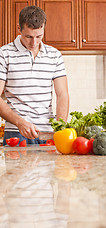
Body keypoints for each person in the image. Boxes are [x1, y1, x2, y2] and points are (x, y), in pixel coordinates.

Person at [0, 5, 69, 145]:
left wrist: (60, 127)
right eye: (29, 37)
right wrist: (20, 123)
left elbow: (62, 94)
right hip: (16, 133)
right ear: (19, 29)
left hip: (47, 133)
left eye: (39, 36)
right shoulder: (4, 54)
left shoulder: (54, 55)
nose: (34, 42)